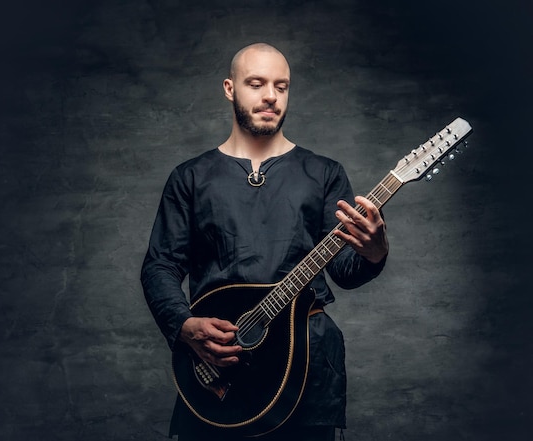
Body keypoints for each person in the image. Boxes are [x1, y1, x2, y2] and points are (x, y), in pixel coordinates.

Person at [140, 42, 389, 441]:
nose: (270, 96)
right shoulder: (190, 177)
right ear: (229, 88)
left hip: (304, 365)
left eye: (281, 86)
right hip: (221, 366)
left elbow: (343, 270)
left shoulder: (324, 174)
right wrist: (184, 325)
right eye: (256, 84)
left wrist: (374, 252)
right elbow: (161, 266)